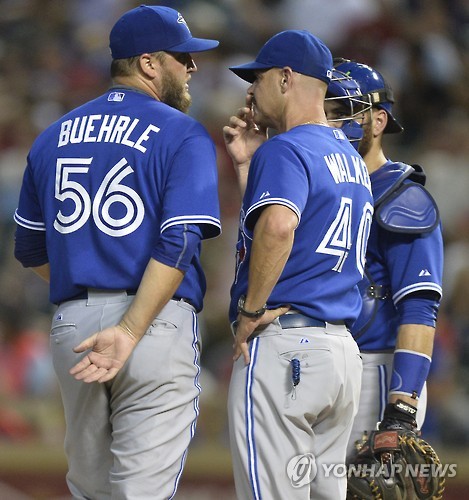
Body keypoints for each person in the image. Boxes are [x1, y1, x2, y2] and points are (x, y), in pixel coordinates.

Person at [13, 5, 221, 499]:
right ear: (149, 63)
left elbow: (29, 249)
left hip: (75, 328)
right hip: (150, 325)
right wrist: (129, 326)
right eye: (182, 58)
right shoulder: (180, 131)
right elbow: (181, 241)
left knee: (91, 491)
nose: (192, 68)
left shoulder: (51, 137)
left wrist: (89, 283)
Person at [222, 30, 374, 499]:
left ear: (286, 78)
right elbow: (292, 226)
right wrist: (247, 168)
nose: (250, 89)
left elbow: (280, 228)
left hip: (287, 345)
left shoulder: (286, 148)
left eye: (259, 77)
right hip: (342, 356)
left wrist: (250, 312)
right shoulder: (349, 157)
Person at [329, 60, 444, 460]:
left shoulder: (401, 196)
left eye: (343, 111)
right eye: (326, 110)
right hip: (321, 364)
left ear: (378, 121)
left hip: (375, 370)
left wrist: (402, 406)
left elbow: (419, 306)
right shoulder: (322, 188)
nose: (332, 122)